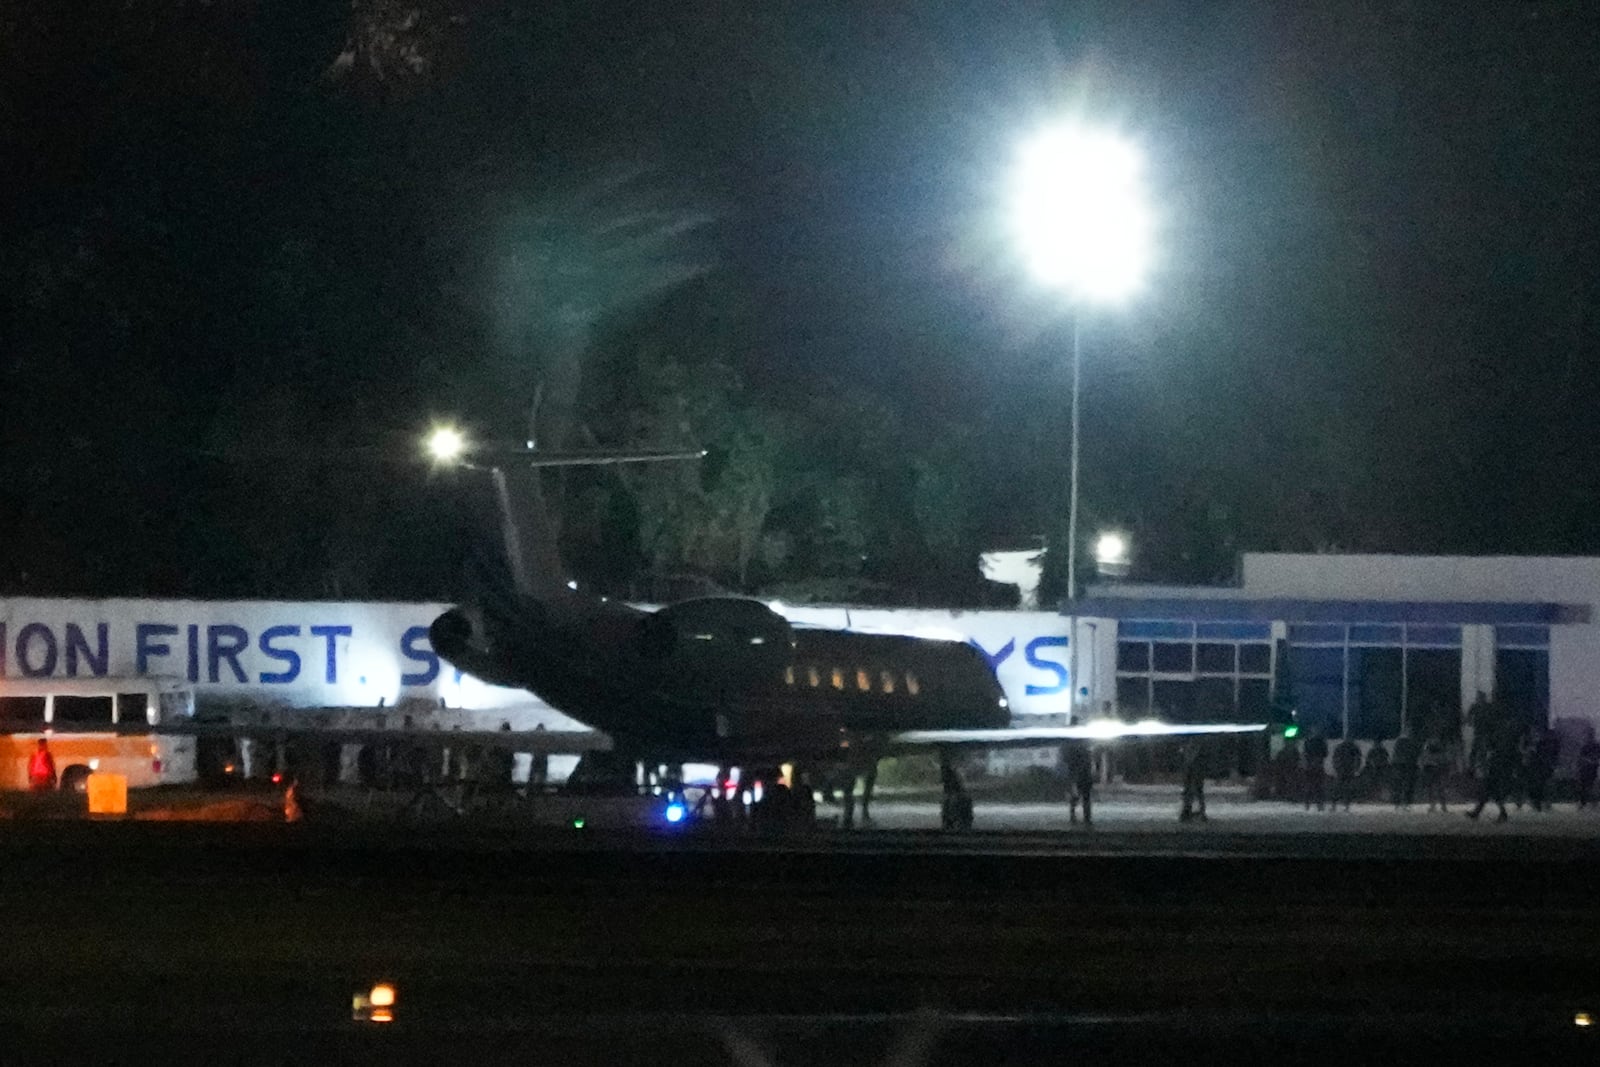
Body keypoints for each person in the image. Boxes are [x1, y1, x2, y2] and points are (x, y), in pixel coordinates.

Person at [1466, 718, 1514, 823]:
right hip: (1493, 772)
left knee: (1490, 794)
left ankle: (1481, 813)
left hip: (1493, 773)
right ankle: (1478, 812)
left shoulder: (1493, 748)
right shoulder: (1494, 744)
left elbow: (1492, 761)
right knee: (1488, 794)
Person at [1526, 727, 1559, 813]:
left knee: (1544, 785)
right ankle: (1539, 803)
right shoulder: (1542, 743)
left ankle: (1542, 803)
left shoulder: (1552, 744)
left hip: (1545, 767)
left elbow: (1555, 756)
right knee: (1540, 785)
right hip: (1541, 767)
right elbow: (1538, 755)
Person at [1063, 742, 1094, 825]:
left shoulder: (1073, 751)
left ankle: (1076, 816)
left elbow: (1069, 763)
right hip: (1083, 777)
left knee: (1078, 797)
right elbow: (1088, 763)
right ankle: (1085, 818)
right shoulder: (1085, 751)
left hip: (1080, 777)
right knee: (1084, 798)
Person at [1179, 739, 1208, 823]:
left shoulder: (1192, 748)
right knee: (1192, 789)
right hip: (1192, 768)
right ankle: (1190, 811)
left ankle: (1190, 811)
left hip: (1193, 768)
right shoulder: (1193, 748)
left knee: (1194, 789)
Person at [1419, 734, 1450, 812]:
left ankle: (1433, 806)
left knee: (1431, 788)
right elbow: (1445, 760)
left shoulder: (1427, 750)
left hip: (1429, 769)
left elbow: (1423, 761)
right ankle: (1443, 806)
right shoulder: (1440, 751)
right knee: (1440, 788)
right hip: (1438, 769)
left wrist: (1422, 768)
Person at [1391, 730, 1420, 809]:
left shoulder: (1399, 742)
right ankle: (1405, 803)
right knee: (1407, 785)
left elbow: (1395, 755)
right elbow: (1414, 754)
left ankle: (1398, 803)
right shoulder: (1411, 742)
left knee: (1400, 785)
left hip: (1401, 765)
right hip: (1408, 765)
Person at [1330, 737, 1362, 811]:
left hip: (1346, 769)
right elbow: (1358, 759)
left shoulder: (1345, 747)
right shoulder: (1353, 747)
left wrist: (1356, 768)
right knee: (1341, 788)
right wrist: (1356, 768)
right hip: (1345, 769)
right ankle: (1340, 805)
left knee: (1342, 788)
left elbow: (1357, 759)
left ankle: (1340, 805)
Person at [1302, 730, 1329, 812]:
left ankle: (1308, 804)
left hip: (1310, 767)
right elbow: (1325, 753)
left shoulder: (1308, 742)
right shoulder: (1321, 742)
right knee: (1318, 787)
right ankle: (1319, 805)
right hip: (1318, 766)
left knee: (1310, 786)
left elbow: (1305, 753)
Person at [1577, 736, 1600, 809]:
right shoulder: (1588, 746)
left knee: (1589, 786)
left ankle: (1588, 802)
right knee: (1586, 786)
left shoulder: (1594, 746)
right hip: (1587, 769)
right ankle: (1586, 802)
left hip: (1590, 768)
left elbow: (1581, 756)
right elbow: (1581, 757)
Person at [529, 723, 549, 794]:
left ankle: (533, 788)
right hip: (541, 758)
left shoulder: (534, 736)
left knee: (535, 774)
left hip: (538, 757)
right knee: (540, 775)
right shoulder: (546, 736)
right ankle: (538, 788)